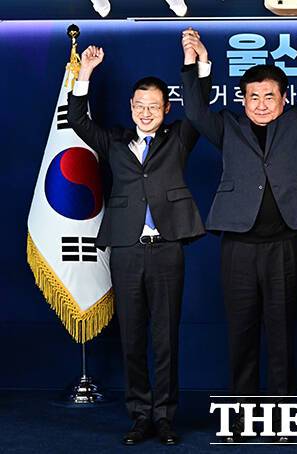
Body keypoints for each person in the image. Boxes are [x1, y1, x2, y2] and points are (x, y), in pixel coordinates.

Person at [180, 29, 297, 443]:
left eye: (269, 96)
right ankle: (243, 415)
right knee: (242, 332)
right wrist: (198, 63)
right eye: (253, 97)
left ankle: (283, 416)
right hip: (238, 247)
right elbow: (194, 110)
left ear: (284, 98)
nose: (261, 104)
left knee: (282, 333)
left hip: (284, 245)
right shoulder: (227, 126)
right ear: (243, 100)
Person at [67, 44, 210, 446]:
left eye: (154, 107)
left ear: (166, 109)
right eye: (140, 106)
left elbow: (199, 110)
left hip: (167, 248)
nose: (146, 113)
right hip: (126, 248)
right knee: (131, 336)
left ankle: (164, 417)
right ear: (131, 106)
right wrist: (85, 72)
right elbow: (77, 119)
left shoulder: (179, 137)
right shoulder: (114, 140)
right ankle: (139, 414)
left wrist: (196, 64)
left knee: (166, 336)